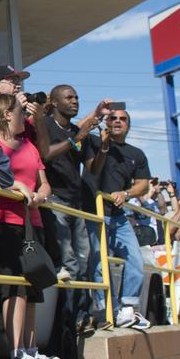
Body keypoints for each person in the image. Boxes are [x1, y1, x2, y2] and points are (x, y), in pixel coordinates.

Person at [0, 95, 56, 359]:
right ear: (7, 114)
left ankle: (31, 350)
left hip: (31, 223)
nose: (26, 117)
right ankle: (16, 352)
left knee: (32, 288)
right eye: (21, 112)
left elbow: (44, 183)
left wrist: (40, 196)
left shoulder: (29, 145)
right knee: (13, 287)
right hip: (1, 222)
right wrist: (16, 188)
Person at [34, 86, 107, 332]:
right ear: (54, 102)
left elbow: (93, 168)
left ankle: (83, 315)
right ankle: (70, 320)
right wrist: (75, 139)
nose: (75, 101)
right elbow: (45, 155)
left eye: (76, 97)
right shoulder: (45, 124)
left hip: (77, 205)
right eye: (69, 97)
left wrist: (104, 148)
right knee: (69, 263)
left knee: (86, 263)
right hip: (56, 200)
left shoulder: (78, 131)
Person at [84, 107, 152, 329]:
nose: (117, 122)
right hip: (93, 211)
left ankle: (127, 308)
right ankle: (105, 310)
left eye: (122, 119)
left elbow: (143, 184)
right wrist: (97, 120)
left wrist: (127, 193)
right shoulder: (94, 142)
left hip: (119, 215)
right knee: (98, 262)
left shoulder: (136, 154)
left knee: (135, 259)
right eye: (112, 118)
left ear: (128, 125)